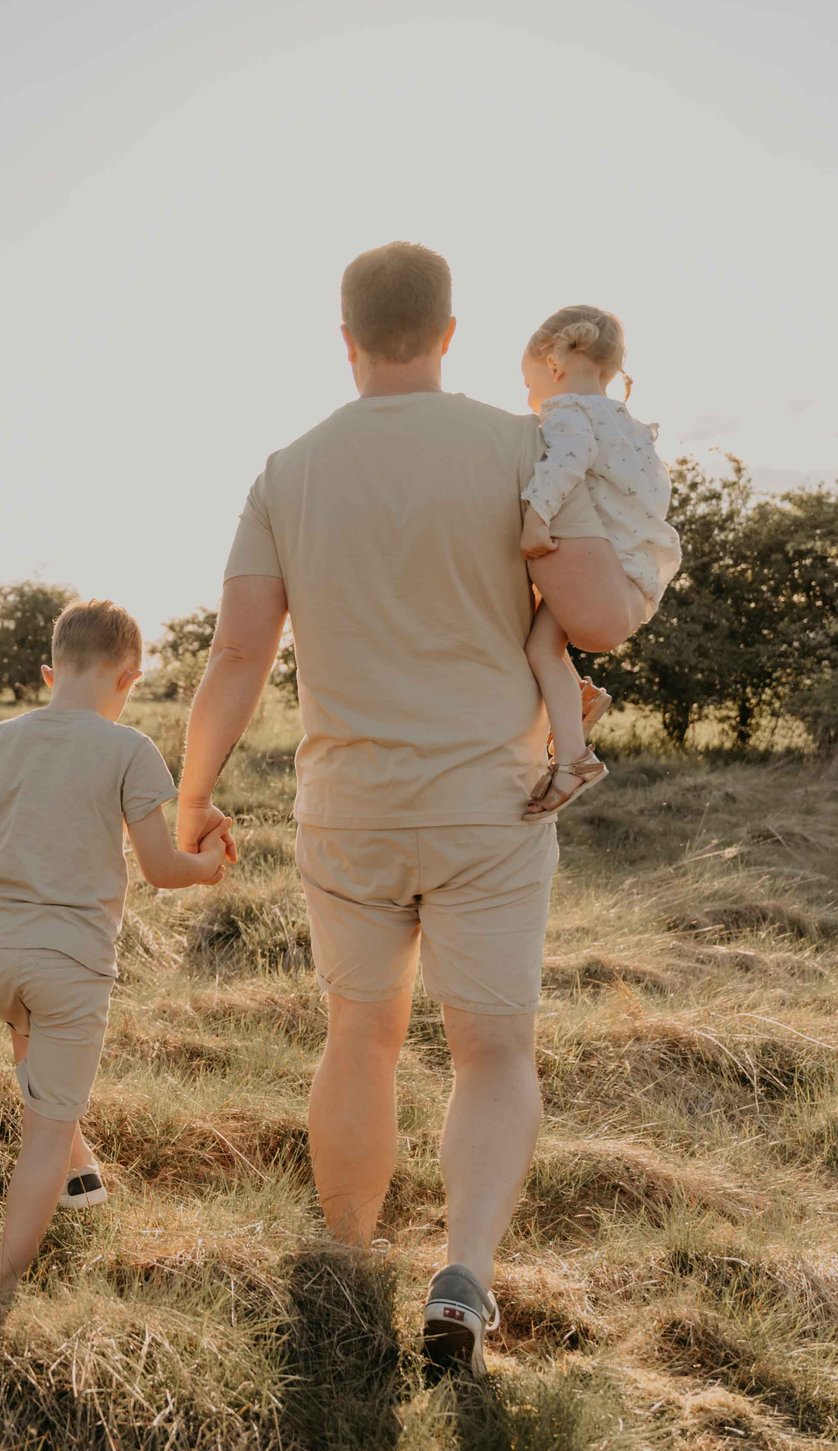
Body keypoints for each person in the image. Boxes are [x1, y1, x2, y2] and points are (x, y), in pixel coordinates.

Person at [172, 243, 644, 1379]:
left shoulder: (287, 469)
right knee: (491, 1047)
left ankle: (346, 1258)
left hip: (350, 807)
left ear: (344, 341)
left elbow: (240, 651)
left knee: (360, 1032)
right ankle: (465, 1271)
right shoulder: (524, 444)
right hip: (491, 800)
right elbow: (597, 616)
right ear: (447, 332)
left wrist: (189, 797)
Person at [0, 600, 230, 1291]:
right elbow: (163, 868)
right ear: (129, 678)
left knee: (28, 1029)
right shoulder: (128, 748)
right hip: (70, 962)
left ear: (52, 671)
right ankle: (1, 1285)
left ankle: (80, 1170)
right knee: (42, 1131)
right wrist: (209, 866)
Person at [516, 304, 680, 816]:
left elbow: (563, 465)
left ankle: (572, 748)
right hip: (631, 564)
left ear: (554, 364)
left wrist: (536, 516)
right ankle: (573, 753)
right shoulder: (628, 425)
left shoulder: (569, 412)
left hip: (602, 562)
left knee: (541, 650)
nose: (529, 395)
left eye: (528, 380)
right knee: (543, 649)